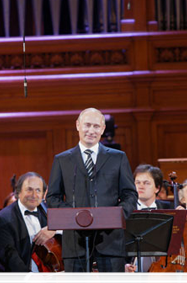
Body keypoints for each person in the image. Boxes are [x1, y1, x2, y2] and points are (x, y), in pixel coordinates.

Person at [46, 107, 138, 283]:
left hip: (110, 240)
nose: (91, 130)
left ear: (103, 129)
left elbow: (129, 194)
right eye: (87, 125)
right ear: (78, 125)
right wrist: (73, 217)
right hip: (75, 242)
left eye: (96, 126)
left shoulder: (118, 158)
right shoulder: (62, 160)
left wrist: (117, 216)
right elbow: (53, 197)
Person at [0, 172, 56, 283]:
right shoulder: (2, 219)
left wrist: (54, 229)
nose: (34, 195)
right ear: (19, 192)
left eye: (38, 190)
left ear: (44, 194)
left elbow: (70, 227)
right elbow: (8, 254)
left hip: (47, 277)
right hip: (16, 279)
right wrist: (28, 276)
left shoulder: (49, 212)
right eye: (29, 190)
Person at [124, 164, 173, 282]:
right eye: (137, 182)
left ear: (157, 188)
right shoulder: (125, 210)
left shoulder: (170, 209)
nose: (141, 186)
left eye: (146, 183)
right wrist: (122, 266)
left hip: (164, 270)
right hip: (132, 273)